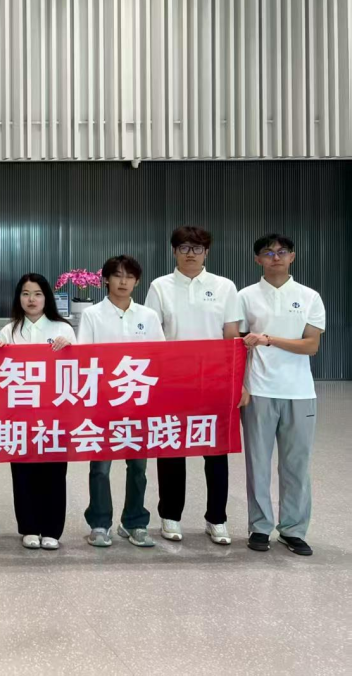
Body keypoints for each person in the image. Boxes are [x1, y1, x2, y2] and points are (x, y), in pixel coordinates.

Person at [144, 226, 244, 545]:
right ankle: (170, 516)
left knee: (216, 452)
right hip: (171, 382)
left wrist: (236, 382)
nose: (191, 253)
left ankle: (217, 519)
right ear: (174, 251)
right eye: (184, 247)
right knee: (171, 448)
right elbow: (151, 335)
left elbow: (232, 337)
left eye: (197, 248)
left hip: (213, 381)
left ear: (207, 252)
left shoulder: (225, 287)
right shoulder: (160, 286)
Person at [239, 234, 325, 556]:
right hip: (258, 390)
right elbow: (236, 346)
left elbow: (311, 345)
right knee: (257, 464)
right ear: (257, 259)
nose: (275, 257)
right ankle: (260, 527)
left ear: (292, 256)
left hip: (299, 392)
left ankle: (293, 530)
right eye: (267, 252)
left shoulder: (309, 296)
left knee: (296, 465)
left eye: (281, 252)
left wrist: (269, 339)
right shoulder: (245, 296)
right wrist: (241, 385)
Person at [78, 255, 165, 548]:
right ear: (106, 279)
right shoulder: (92, 315)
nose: (123, 281)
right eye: (117, 275)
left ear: (137, 281)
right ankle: (99, 523)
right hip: (103, 404)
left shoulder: (148, 316)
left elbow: (160, 358)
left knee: (138, 467)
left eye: (129, 276)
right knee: (100, 468)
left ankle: (135, 522)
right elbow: (84, 361)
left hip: (139, 403)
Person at [0, 273, 75, 551]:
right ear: (18, 298)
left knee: (54, 472)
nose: (31, 299)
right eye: (25, 294)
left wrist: (70, 349)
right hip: (19, 414)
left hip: (55, 414)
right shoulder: (8, 332)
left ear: (47, 298)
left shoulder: (63, 328)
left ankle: (52, 529)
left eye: (37, 294)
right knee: (23, 472)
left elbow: (78, 370)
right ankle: (29, 527)